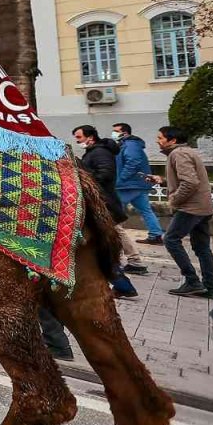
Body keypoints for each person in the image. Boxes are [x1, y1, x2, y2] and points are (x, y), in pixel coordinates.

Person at [149, 127, 213, 299]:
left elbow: (190, 182)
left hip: (191, 208)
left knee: (171, 240)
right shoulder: (186, 152)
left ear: (172, 140)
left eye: (161, 138)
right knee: (202, 248)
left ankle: (192, 281)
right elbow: (185, 180)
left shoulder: (178, 154)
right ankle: (211, 287)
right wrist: (163, 181)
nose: (158, 140)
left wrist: (174, 200)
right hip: (202, 207)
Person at [72, 125, 137, 299]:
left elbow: (104, 176)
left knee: (103, 248)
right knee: (102, 249)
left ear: (90, 137)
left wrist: (81, 172)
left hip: (104, 205)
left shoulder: (100, 153)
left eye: (79, 137)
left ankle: (124, 281)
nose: (77, 141)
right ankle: (123, 284)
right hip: (101, 205)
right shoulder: (94, 152)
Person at [112, 123, 162, 258]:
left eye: (116, 131)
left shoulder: (131, 145)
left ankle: (113, 236)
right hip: (135, 184)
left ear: (125, 133)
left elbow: (132, 162)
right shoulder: (128, 144)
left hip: (129, 185)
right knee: (145, 210)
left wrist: (121, 179)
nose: (113, 133)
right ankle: (155, 234)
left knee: (114, 212)